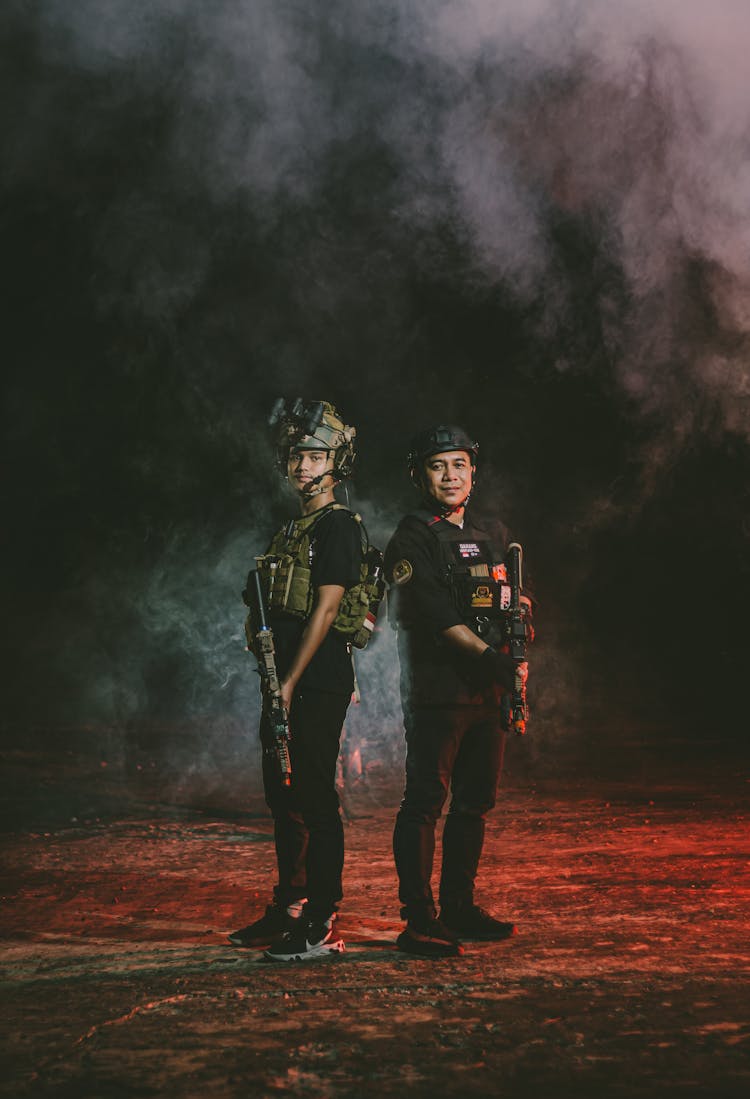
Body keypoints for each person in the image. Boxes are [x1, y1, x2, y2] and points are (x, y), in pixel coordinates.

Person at [384, 425, 533, 958]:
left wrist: (518, 638)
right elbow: (437, 617)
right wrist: (497, 663)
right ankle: (419, 921)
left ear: (474, 473)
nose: (451, 475)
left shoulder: (490, 532)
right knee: (425, 802)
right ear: (419, 475)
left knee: (475, 804)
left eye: (460, 465)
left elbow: (508, 600)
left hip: (487, 694)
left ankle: (459, 909)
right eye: (438, 465)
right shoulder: (411, 537)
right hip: (439, 693)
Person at [229, 399, 364, 961]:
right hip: (280, 678)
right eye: (296, 456)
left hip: (317, 679)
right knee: (282, 796)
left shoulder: (339, 526)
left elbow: (328, 610)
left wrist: (289, 682)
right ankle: (289, 904)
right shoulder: (290, 529)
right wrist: (272, 674)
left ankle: (321, 918)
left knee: (313, 795)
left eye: (315, 455)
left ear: (338, 461)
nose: (303, 465)